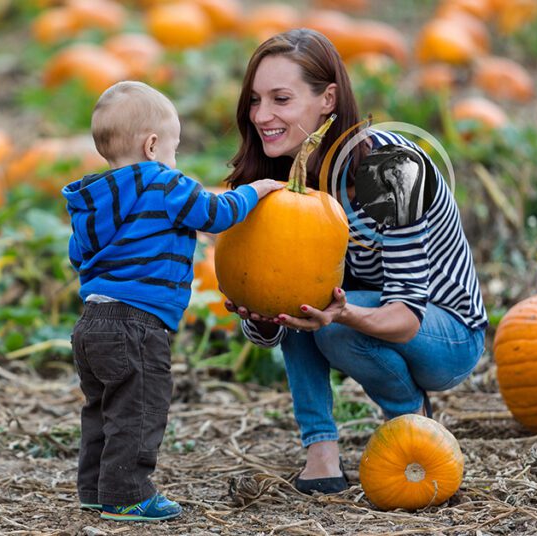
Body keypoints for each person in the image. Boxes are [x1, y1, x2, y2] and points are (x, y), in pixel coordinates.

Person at [222, 29, 487, 495]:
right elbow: (270, 320)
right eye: (255, 100)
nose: (262, 116)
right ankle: (320, 451)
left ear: (328, 99)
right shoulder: (272, 177)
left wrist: (340, 313)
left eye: (281, 99)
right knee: (304, 304)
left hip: (444, 332)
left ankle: (410, 418)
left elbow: (405, 317)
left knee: (327, 318)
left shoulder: (390, 168)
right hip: (354, 312)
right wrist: (261, 316)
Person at [62, 80, 282, 521]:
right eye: (174, 150)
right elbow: (215, 215)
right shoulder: (162, 183)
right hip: (137, 323)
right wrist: (255, 191)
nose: (175, 160)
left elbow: (76, 255)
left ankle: (94, 488)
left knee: (102, 409)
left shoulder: (94, 199)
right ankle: (127, 495)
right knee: (140, 409)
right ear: (152, 145)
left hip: (92, 322)